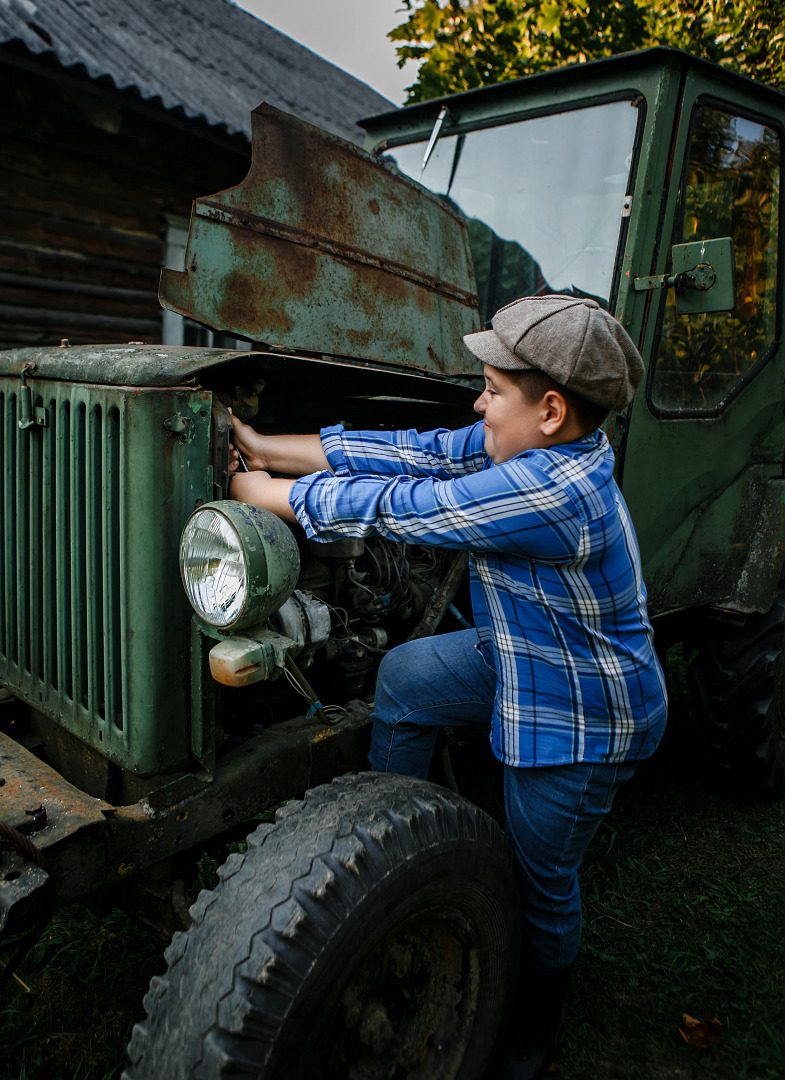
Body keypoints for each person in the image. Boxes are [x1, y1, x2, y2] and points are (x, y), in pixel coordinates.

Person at [229, 295, 668, 1080]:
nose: (477, 401)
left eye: (492, 389)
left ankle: (531, 1030)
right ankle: (387, 853)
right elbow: (415, 453)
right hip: (516, 652)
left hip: (578, 711)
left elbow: (414, 508)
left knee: (541, 882)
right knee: (404, 674)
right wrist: (269, 448)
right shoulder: (529, 446)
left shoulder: (556, 491)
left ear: (551, 409)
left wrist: (271, 498)